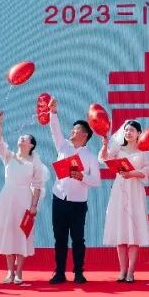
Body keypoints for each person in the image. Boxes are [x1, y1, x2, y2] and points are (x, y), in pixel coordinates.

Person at [0, 110, 48, 284]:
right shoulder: (9, 156)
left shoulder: (34, 163)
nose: (22, 138)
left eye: (26, 138)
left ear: (31, 145)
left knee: (22, 234)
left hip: (24, 199)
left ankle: (19, 272)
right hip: (7, 198)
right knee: (8, 232)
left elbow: (38, 186)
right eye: (21, 137)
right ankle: (10, 272)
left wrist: (34, 206)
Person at [47, 98, 101, 284]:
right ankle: (59, 272)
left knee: (78, 239)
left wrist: (82, 177)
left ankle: (79, 272)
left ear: (85, 135)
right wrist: (53, 112)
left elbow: (96, 181)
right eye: (72, 129)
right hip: (59, 199)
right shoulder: (63, 146)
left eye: (76, 130)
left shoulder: (90, 157)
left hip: (78, 204)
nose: (72, 131)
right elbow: (55, 130)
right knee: (60, 238)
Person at [98, 120, 149, 283]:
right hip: (119, 190)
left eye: (132, 130)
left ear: (139, 133)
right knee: (120, 230)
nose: (128, 133)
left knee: (134, 231)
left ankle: (131, 271)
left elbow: (147, 170)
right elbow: (104, 159)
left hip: (135, 190)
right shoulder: (118, 149)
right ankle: (122, 271)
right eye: (126, 130)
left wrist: (132, 174)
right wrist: (105, 145)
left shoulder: (143, 150)